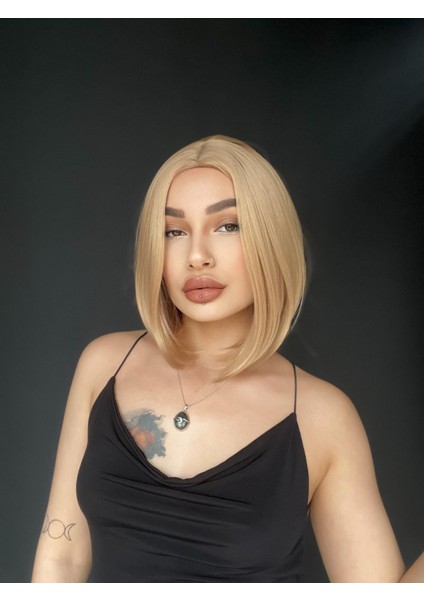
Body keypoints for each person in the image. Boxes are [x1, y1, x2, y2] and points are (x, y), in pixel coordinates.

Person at [32, 135, 423, 583]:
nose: (197, 256)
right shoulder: (104, 365)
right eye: (174, 231)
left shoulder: (323, 416)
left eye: (227, 226)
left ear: (271, 239)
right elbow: (60, 555)